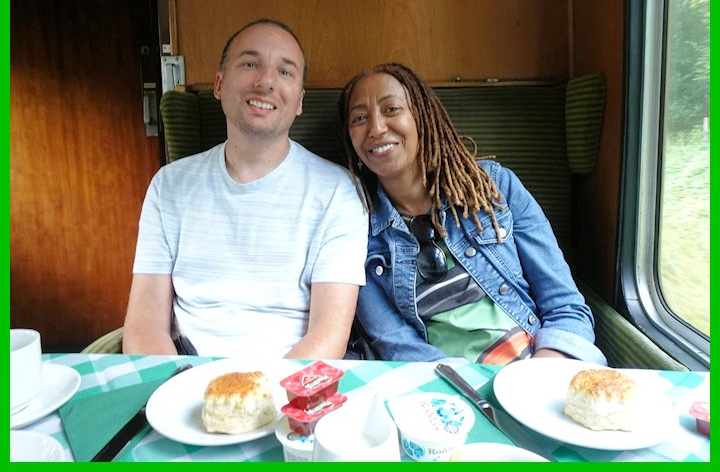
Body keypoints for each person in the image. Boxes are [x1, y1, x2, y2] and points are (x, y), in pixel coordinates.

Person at [123, 19, 368, 358]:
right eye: (250, 64)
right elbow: (145, 325)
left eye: (285, 72)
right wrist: (181, 383)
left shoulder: (338, 191)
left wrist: (257, 391)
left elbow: (329, 335)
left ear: (299, 102)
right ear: (219, 84)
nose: (266, 81)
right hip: (185, 371)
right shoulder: (169, 186)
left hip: (290, 378)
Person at [337, 62, 607, 365]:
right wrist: (466, 385)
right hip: (439, 380)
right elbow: (396, 343)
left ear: (422, 116)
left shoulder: (496, 187)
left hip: (538, 365)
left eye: (391, 109)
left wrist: (539, 372)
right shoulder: (354, 226)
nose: (376, 128)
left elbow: (565, 305)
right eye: (359, 118)